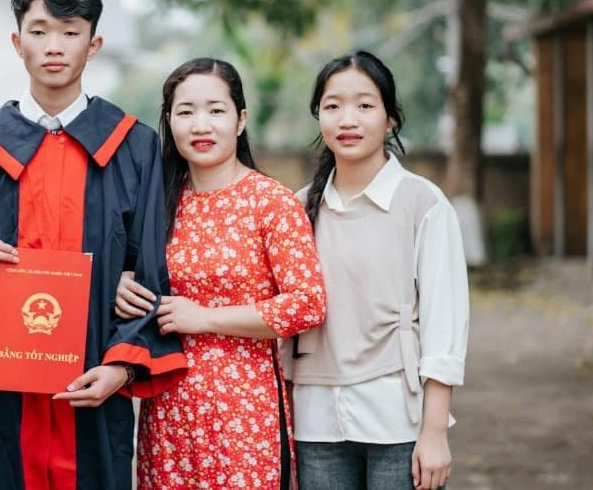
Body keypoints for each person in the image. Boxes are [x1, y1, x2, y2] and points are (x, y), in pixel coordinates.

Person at [0, 0, 188, 490]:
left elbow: (151, 271)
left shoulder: (131, 148)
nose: (54, 46)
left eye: (71, 32)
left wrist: (121, 368)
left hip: (92, 383)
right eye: (40, 31)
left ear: (95, 44)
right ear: (17, 42)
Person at [113, 58, 328, 489]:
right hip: (168, 413)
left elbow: (308, 304)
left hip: (245, 416)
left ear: (240, 119)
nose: (200, 125)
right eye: (186, 112)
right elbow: (131, 278)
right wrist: (118, 286)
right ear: (169, 121)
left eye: (215, 110)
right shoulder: (158, 207)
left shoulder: (270, 202)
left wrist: (206, 317)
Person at [285, 50, 469, 490]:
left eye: (365, 105)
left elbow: (446, 326)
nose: (348, 119)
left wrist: (435, 431)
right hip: (315, 420)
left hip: (398, 420)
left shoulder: (424, 204)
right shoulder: (296, 208)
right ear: (319, 118)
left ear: (390, 120)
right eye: (333, 106)